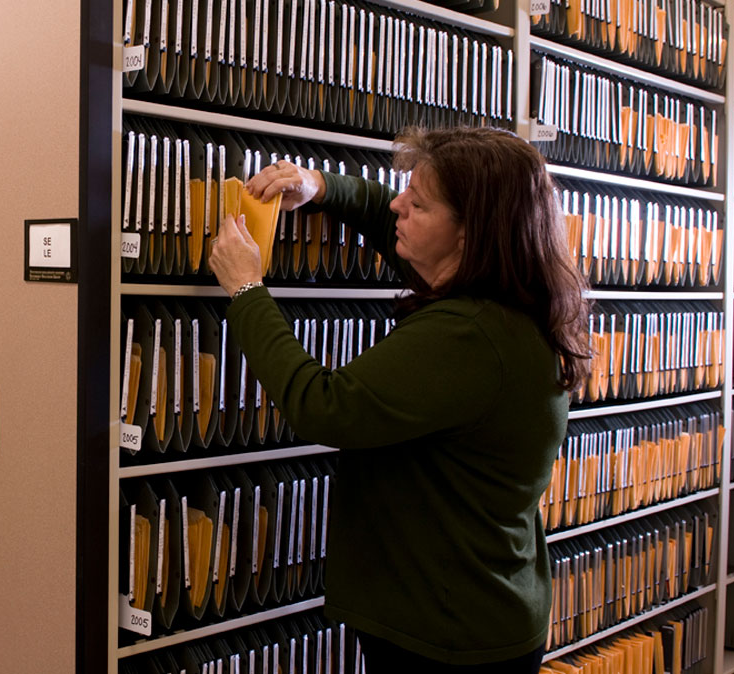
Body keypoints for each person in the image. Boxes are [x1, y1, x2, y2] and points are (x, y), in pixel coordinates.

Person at [208, 126, 590, 673]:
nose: (396, 205)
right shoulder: (509, 299)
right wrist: (319, 186)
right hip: (477, 611)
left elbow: (324, 405)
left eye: (418, 202)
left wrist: (246, 289)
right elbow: (397, 229)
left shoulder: (468, 336)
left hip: (447, 636)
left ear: (469, 233)